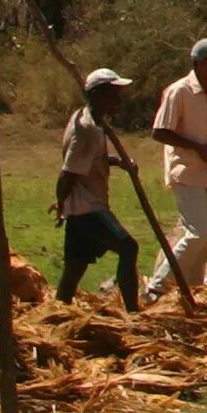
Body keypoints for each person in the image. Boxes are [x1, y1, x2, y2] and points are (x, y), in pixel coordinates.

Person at [141, 39, 207, 302]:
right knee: (198, 232)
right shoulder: (179, 91)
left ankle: (189, 291)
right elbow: (160, 131)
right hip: (186, 171)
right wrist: (197, 148)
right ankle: (157, 286)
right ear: (200, 64)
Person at [51, 70, 141, 308]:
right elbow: (68, 173)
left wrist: (118, 162)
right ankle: (133, 312)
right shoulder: (87, 130)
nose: (118, 101)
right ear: (98, 94)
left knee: (75, 267)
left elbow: (91, 160)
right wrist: (61, 204)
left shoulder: (87, 119)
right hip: (88, 208)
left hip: (79, 208)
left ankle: (58, 310)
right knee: (128, 247)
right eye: (113, 95)